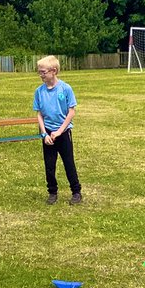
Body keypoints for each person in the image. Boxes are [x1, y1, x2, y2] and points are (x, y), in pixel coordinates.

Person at [33, 55, 82, 205]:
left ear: (53, 71)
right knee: (49, 165)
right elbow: (39, 114)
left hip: (63, 133)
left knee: (68, 163)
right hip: (47, 134)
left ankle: (76, 192)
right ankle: (52, 192)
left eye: (43, 72)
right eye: (39, 72)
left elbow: (71, 112)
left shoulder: (65, 88)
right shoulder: (39, 91)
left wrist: (60, 131)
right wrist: (44, 133)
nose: (40, 75)